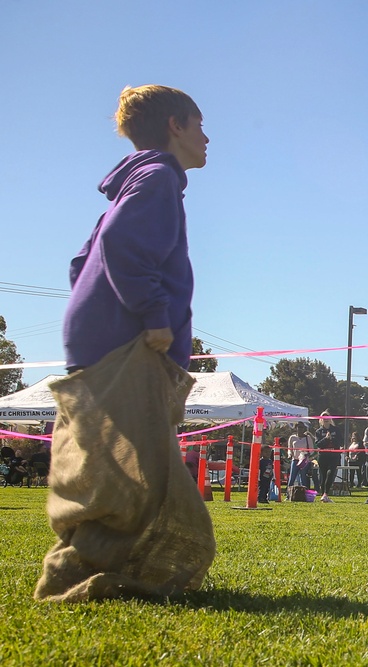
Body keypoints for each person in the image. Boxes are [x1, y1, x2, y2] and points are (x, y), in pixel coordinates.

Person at [36, 85, 215, 602]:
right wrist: (153, 316)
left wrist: (96, 312)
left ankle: (111, 567)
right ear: (174, 126)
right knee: (131, 474)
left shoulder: (138, 182)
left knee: (107, 465)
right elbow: (120, 245)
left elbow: (81, 262)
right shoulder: (158, 177)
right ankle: (77, 577)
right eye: (199, 123)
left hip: (99, 335)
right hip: (128, 338)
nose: (208, 137)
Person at [315, 411, 341, 503]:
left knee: (330, 473)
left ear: (330, 419)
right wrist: (326, 439)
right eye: (323, 418)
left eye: (327, 417)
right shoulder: (318, 431)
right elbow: (318, 444)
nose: (325, 419)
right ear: (320, 420)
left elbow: (340, 442)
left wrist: (331, 438)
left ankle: (326, 493)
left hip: (334, 456)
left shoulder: (336, 430)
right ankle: (323, 495)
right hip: (323, 456)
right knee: (323, 475)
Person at [286, 421, 314, 491]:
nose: (300, 429)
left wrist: (305, 453)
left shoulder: (308, 438)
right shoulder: (292, 438)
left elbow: (312, 450)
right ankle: (288, 494)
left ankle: (304, 493)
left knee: (303, 478)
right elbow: (290, 448)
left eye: (302, 427)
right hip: (295, 460)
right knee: (292, 478)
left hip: (304, 460)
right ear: (296, 428)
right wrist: (290, 454)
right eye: (299, 427)